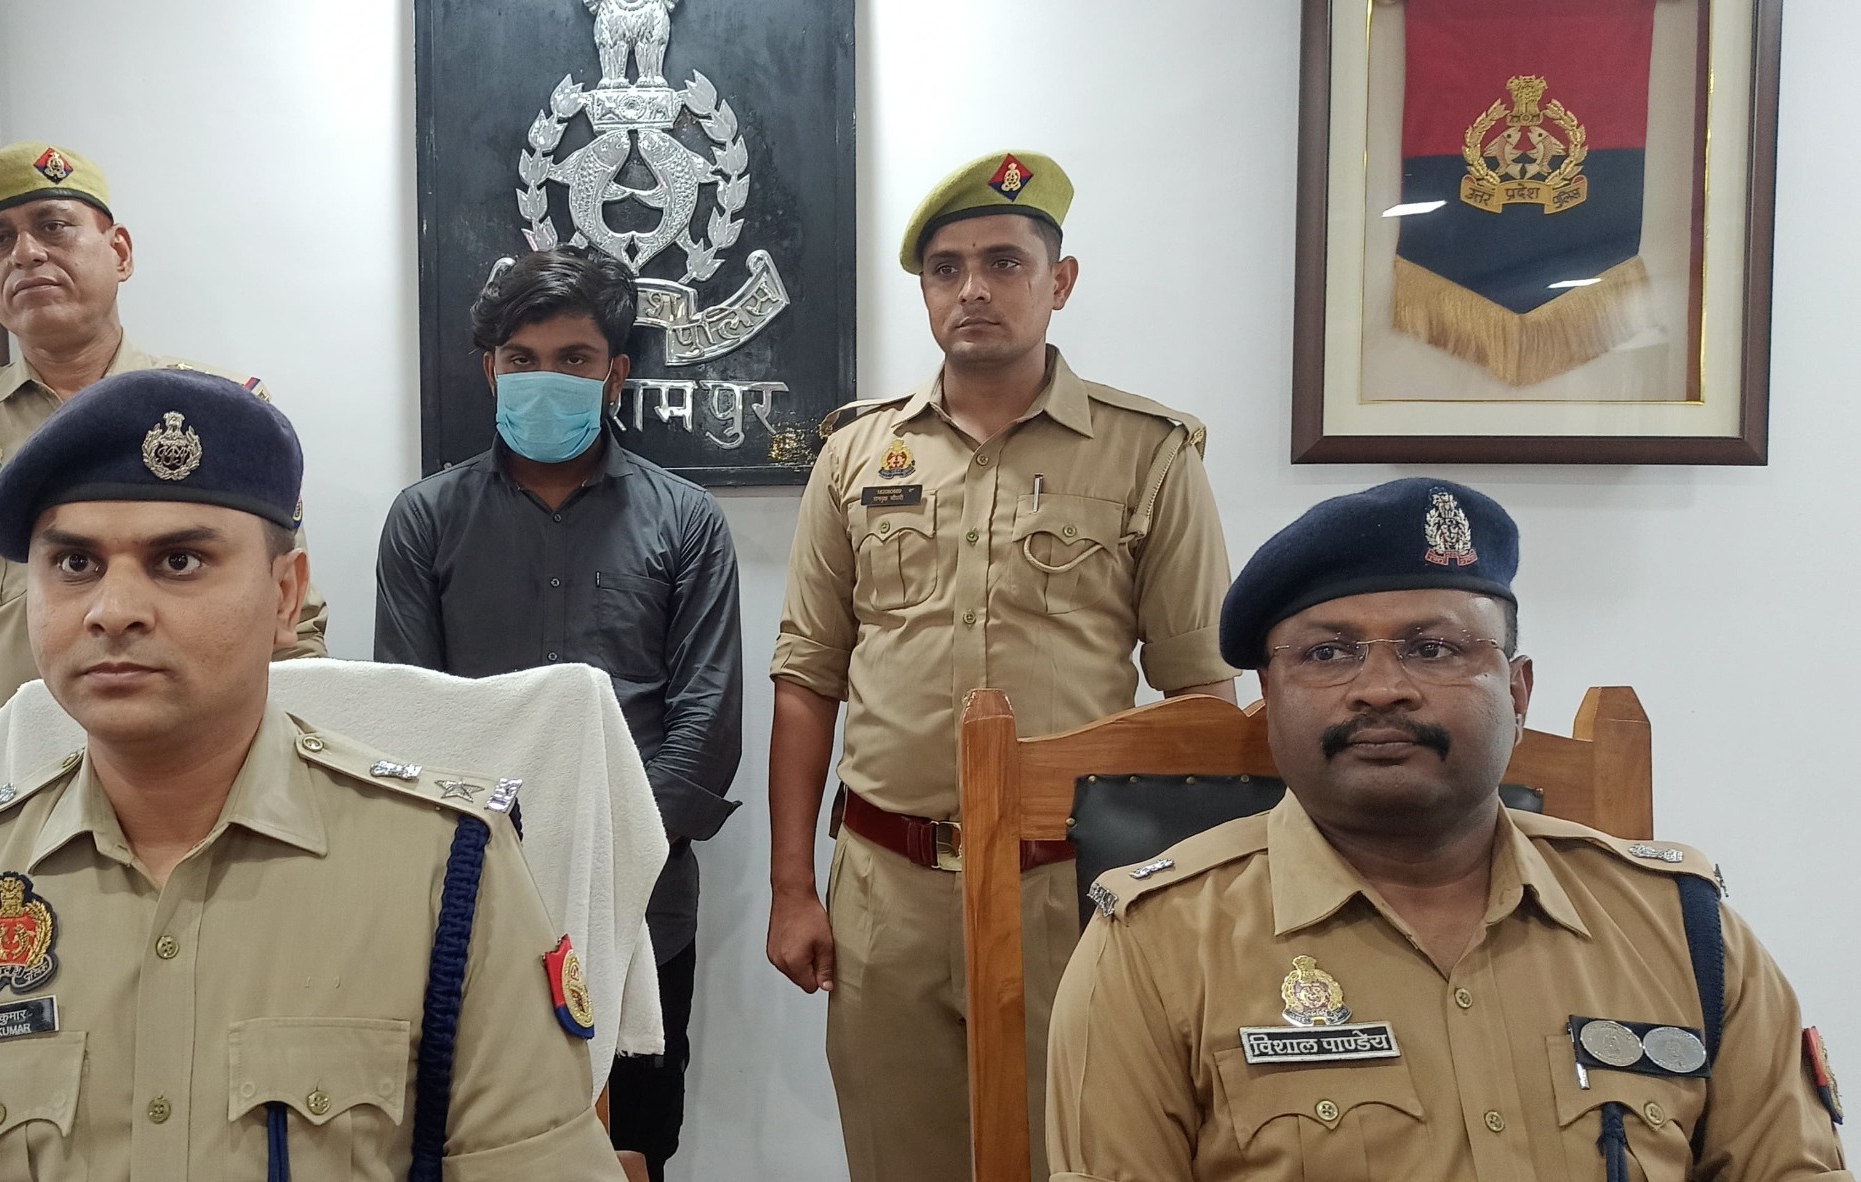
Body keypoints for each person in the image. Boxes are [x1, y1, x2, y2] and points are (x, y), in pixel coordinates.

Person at [0, 370, 624, 1182]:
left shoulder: (444, 873)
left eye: (179, 561)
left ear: (284, 597)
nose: (112, 610)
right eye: (75, 564)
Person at [1048, 478, 1851, 1180]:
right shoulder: (1155, 942)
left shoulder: (1680, 926)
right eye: (1327, 654)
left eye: (1432, 649)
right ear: (1271, 696)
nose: (1380, 689)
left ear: (1518, 691)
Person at [765, 150, 1239, 1182]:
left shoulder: (1147, 453)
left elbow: (1201, 697)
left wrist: (1192, 894)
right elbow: (807, 679)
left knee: (1078, 1156)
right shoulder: (854, 455)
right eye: (945, 269)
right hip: (887, 889)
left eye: (1003, 263)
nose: (972, 288)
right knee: (897, 1160)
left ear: (1058, 282)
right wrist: (791, 887)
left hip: (1070, 886)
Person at [0, 141, 328, 972]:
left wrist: (304, 816)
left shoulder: (215, 419)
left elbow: (292, 638)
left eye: (54, 225)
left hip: (190, 800)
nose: (26, 253)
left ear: (120, 251)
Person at [374, 245, 743, 1182]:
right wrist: (503, 864)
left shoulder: (686, 520)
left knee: (629, 1153)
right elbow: (407, 720)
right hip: (467, 895)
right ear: (489, 369)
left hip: (641, 902)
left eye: (573, 358)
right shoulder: (424, 519)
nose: (546, 376)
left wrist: (605, 860)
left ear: (614, 374)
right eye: (523, 358)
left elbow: (705, 725)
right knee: (471, 1147)